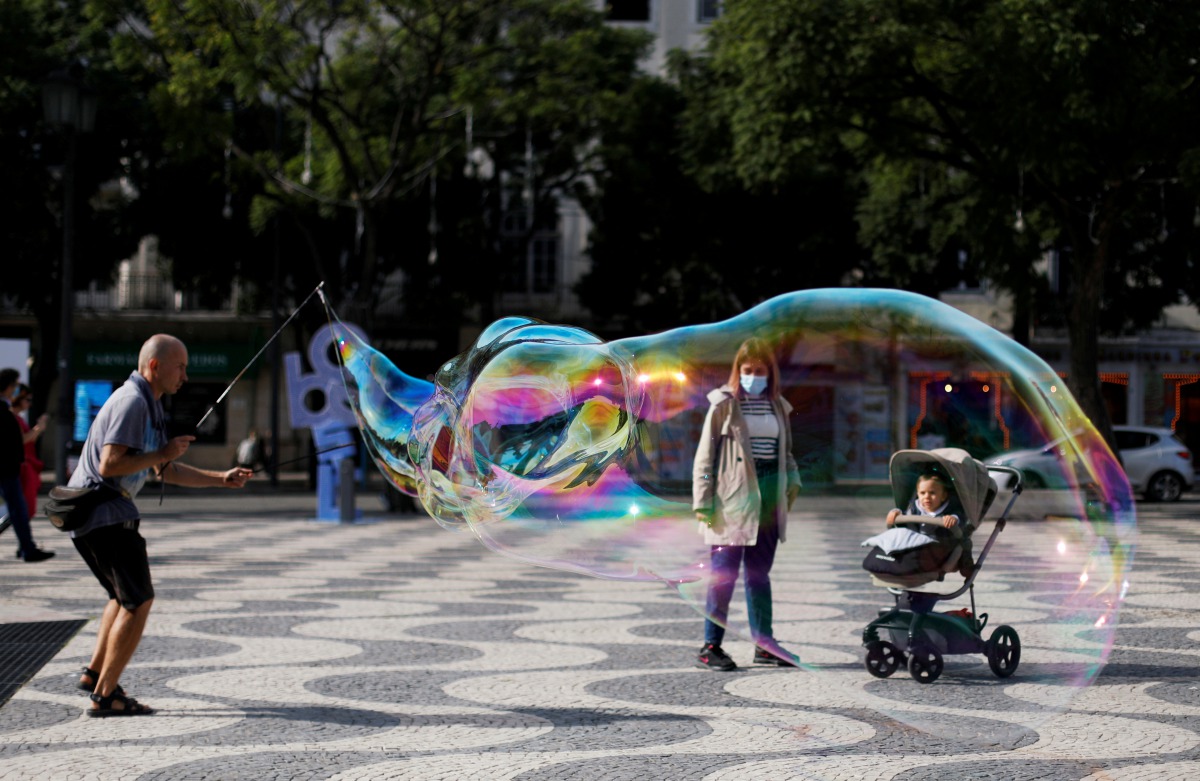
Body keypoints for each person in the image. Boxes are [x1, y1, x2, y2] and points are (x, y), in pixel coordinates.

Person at [67, 334, 253, 717]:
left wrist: (222, 478)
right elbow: (110, 464)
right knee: (139, 601)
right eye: (180, 366)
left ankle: (94, 673)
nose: (185, 374)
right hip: (104, 516)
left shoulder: (148, 405)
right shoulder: (133, 402)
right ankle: (105, 696)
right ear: (155, 366)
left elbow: (163, 468)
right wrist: (162, 453)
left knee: (122, 597)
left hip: (97, 516)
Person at [691, 338, 802, 671]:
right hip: (731, 500)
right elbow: (705, 457)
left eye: (760, 370)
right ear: (738, 371)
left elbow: (786, 453)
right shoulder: (723, 404)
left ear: (771, 372)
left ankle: (764, 644)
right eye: (748, 370)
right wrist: (703, 502)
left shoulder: (778, 406)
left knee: (758, 576)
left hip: (768, 498)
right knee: (723, 576)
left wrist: (793, 481)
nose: (754, 375)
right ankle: (710, 646)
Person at [863, 471, 974, 577]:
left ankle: (966, 567)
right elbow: (906, 516)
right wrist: (897, 513)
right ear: (917, 494)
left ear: (943, 496)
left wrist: (953, 518)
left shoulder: (948, 511)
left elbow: (960, 516)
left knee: (964, 541)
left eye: (932, 493)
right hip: (915, 545)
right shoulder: (914, 507)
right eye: (922, 493)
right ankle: (889, 562)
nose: (926, 496)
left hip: (939, 547)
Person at [0, 369, 54, 562]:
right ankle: (27, 549)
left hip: (11, 468)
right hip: (7, 468)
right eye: (15, 386)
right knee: (18, 508)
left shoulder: (7, 410)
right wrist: (39, 428)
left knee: (20, 508)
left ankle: (27, 547)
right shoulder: (4, 411)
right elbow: (16, 440)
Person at [12, 384, 48, 518]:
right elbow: (21, 440)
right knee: (22, 503)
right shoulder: (12, 417)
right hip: (21, 465)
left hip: (26, 463)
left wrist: (39, 428)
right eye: (27, 400)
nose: (29, 403)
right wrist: (38, 428)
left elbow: (29, 439)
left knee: (25, 504)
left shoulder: (18, 417)